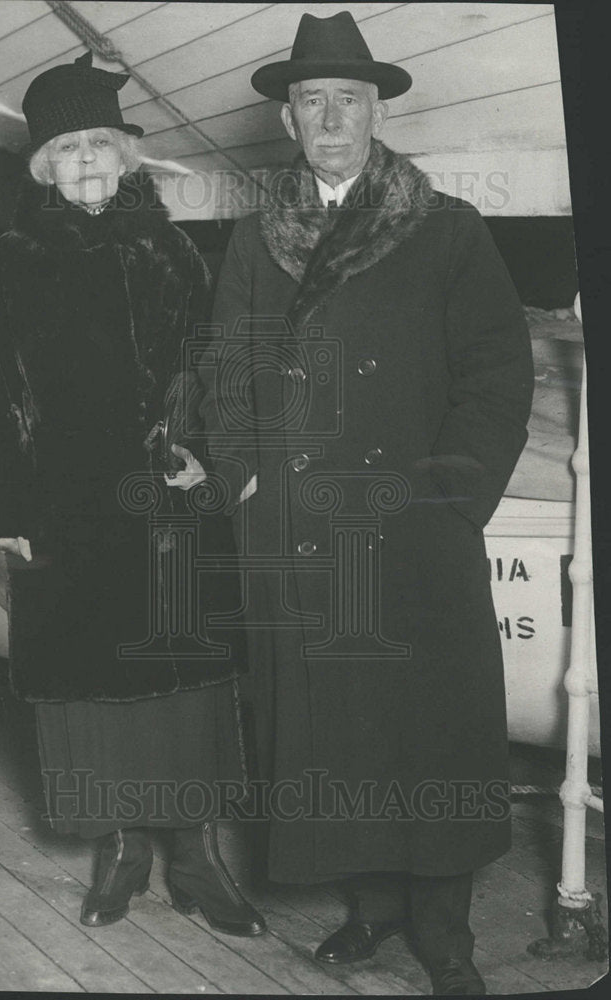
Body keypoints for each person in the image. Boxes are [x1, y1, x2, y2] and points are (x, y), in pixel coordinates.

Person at [194, 12, 533, 994]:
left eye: (348, 99)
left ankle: (446, 933)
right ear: (289, 120)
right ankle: (373, 911)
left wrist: (450, 496)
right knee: (338, 734)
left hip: (413, 525)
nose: (330, 117)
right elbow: (226, 368)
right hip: (301, 528)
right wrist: (245, 475)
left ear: (376, 110)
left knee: (429, 729)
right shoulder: (261, 236)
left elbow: (495, 377)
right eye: (312, 101)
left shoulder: (448, 229)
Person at [0, 51, 264, 936]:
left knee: (185, 682)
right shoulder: (11, 261)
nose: (88, 160)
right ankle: (121, 851)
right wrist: (6, 511)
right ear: (44, 168)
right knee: (89, 688)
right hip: (62, 509)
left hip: (166, 505)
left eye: (101, 143)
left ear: (127, 157)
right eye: (68, 149)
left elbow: (215, 372)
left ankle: (197, 856)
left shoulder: (173, 249)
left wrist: (206, 457)